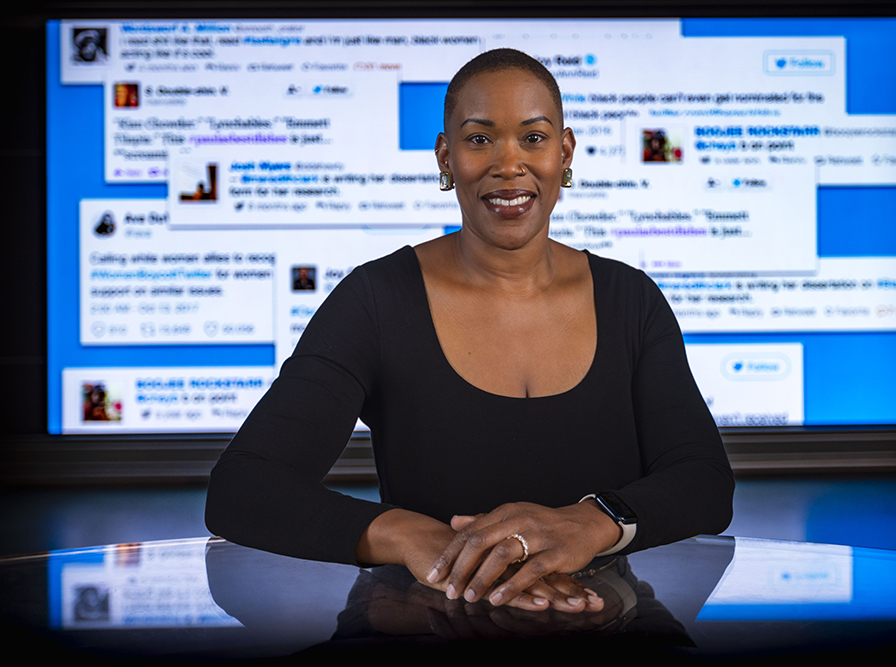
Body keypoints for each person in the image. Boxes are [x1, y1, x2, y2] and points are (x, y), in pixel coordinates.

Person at [205, 48, 733, 615]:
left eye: (533, 137)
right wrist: (413, 537)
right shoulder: (376, 299)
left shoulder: (632, 299)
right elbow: (244, 488)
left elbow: (703, 480)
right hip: (425, 625)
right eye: (479, 139)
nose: (509, 164)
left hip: (603, 623)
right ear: (445, 156)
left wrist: (591, 522)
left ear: (566, 151)